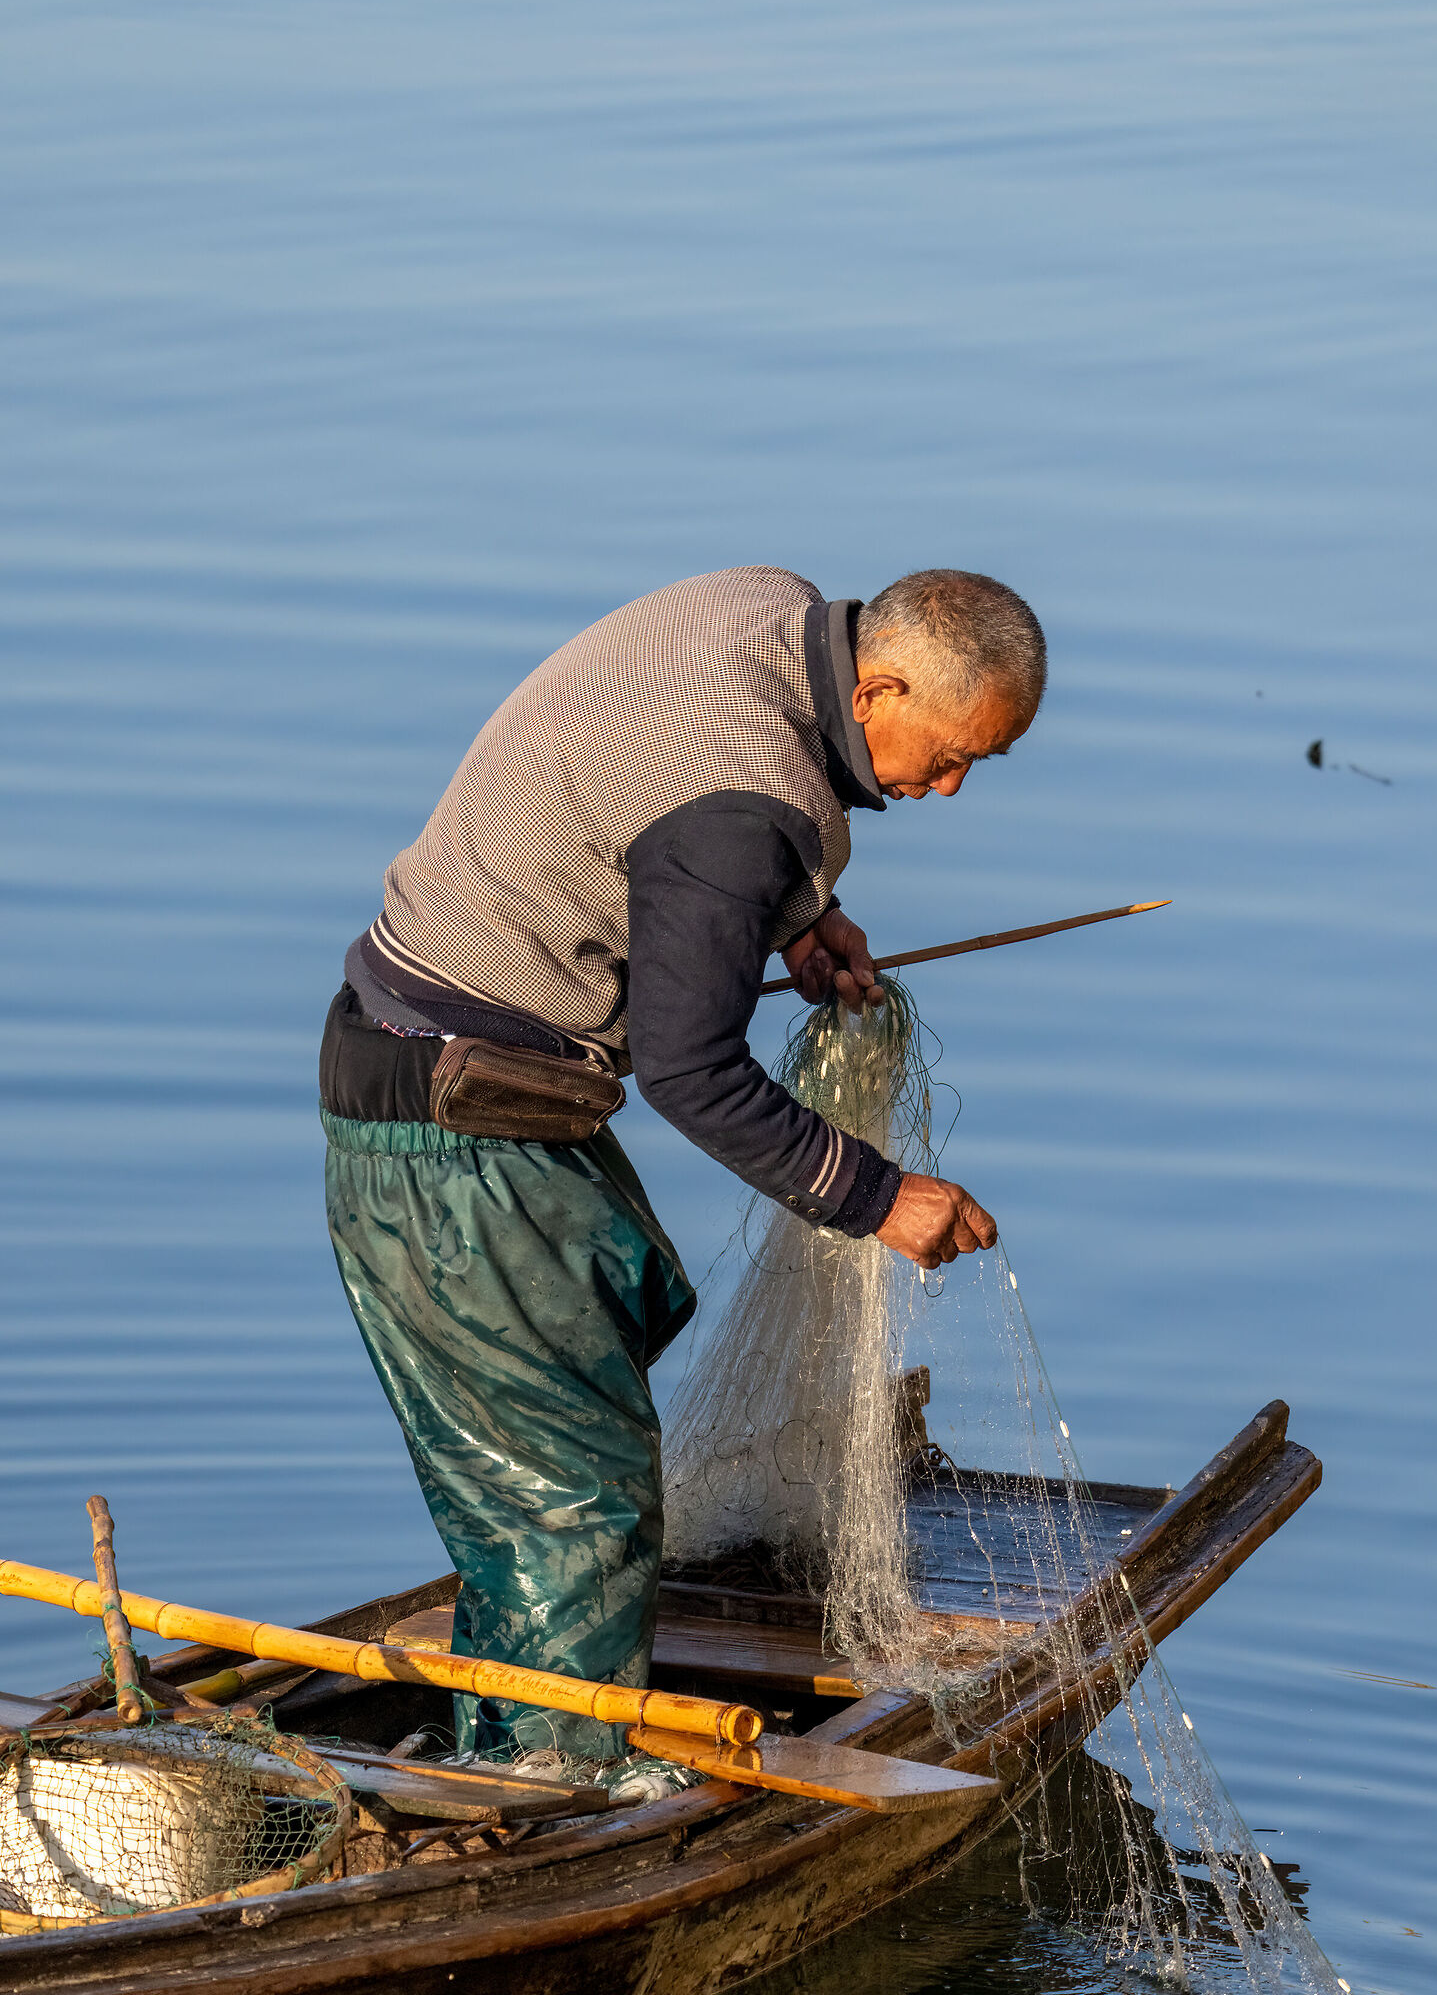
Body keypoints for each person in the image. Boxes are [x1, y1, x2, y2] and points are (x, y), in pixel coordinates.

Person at [319, 565, 1046, 1770]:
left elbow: (651, 794)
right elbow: (691, 1071)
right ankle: (558, 1784)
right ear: (876, 688)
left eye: (983, 763)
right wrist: (876, 1196)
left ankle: (503, 1741)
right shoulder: (741, 815)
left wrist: (789, 916)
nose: (952, 784)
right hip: (451, 1150)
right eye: (954, 753)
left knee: (599, 1361)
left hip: (436, 1069)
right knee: (578, 1503)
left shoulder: (765, 606)